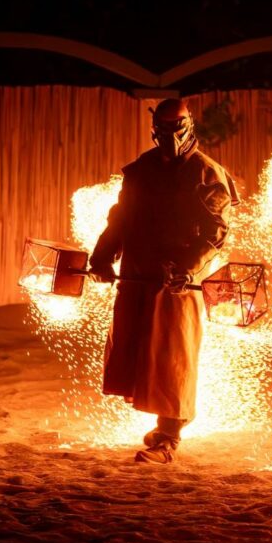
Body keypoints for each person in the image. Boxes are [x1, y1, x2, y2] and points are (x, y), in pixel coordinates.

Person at [88, 98, 239, 464]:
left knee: (173, 356)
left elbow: (216, 232)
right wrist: (103, 256)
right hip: (138, 275)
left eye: (178, 129)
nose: (171, 137)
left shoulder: (206, 173)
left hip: (176, 283)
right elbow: (121, 219)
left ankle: (168, 439)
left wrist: (189, 267)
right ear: (154, 129)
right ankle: (162, 429)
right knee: (139, 351)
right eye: (164, 130)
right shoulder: (142, 169)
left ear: (189, 127)